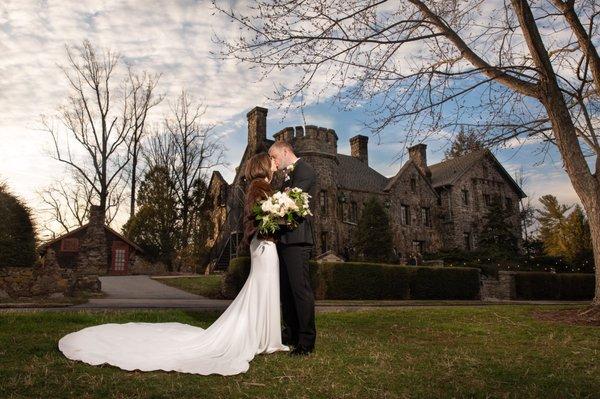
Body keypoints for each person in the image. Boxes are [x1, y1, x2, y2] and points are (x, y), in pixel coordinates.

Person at [57, 152, 290, 376]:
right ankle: (263, 338)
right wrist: (279, 216)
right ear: (262, 165)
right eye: (270, 161)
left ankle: (264, 337)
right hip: (263, 244)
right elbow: (256, 216)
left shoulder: (262, 187)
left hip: (264, 244)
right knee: (262, 287)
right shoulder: (259, 187)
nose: (274, 164)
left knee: (262, 288)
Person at [268, 140, 317, 356]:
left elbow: (291, 203)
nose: (273, 162)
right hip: (285, 240)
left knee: (300, 291)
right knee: (286, 292)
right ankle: (290, 332)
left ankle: (306, 341)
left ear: (286, 151)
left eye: (274, 157)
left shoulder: (305, 171)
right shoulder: (287, 175)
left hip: (298, 240)